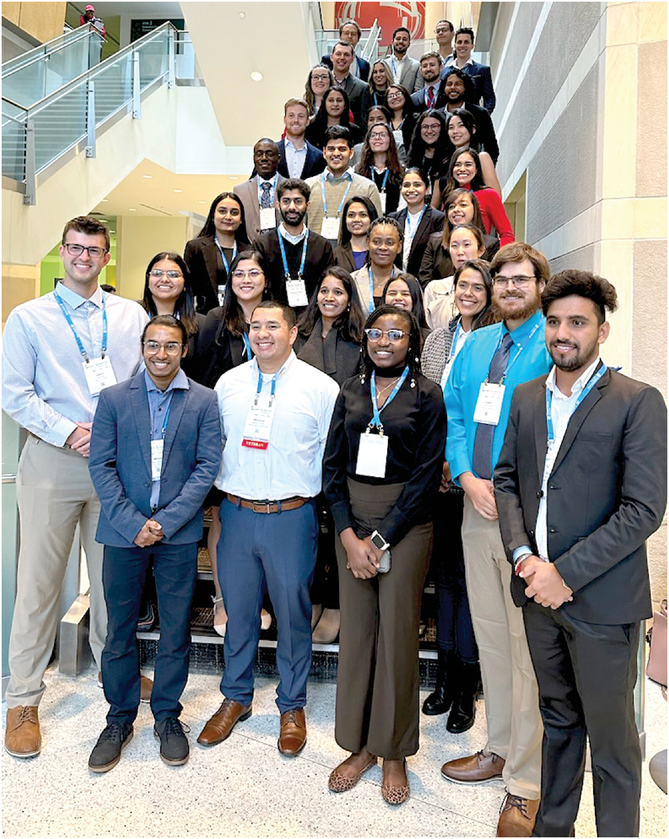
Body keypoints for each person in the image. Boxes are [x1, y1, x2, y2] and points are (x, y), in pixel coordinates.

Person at [494, 269, 668, 838]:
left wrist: (563, 574)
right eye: (554, 321)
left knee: (613, 739)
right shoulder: (525, 396)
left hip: (601, 603)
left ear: (602, 330)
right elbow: (506, 481)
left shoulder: (637, 401)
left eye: (577, 322)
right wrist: (524, 559)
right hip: (536, 593)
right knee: (559, 721)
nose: (562, 332)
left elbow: (642, 510)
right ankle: (554, 828)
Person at [2, 216, 149, 759]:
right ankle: (22, 699)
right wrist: (70, 431)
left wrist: (112, 437)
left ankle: (119, 680)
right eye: (75, 247)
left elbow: (140, 384)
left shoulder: (130, 315)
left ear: (107, 255)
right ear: (62, 252)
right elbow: (14, 393)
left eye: (94, 248)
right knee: (39, 584)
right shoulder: (28, 318)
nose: (84, 256)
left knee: (114, 583)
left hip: (114, 466)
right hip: (53, 461)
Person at [441, 242, 552, 838]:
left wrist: (500, 491)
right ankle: (500, 747)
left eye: (520, 279)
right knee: (489, 635)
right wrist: (465, 475)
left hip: (526, 516)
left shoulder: (551, 341)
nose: (509, 288)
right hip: (474, 505)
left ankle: (527, 784)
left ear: (539, 284)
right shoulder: (478, 344)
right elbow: (457, 414)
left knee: (525, 646)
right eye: (501, 279)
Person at [197, 301, 339, 758]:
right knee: (239, 613)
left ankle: (291, 705)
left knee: (294, 615)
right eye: (255, 325)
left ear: (293, 332)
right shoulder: (228, 384)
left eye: (272, 325)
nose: (262, 333)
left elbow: (331, 455)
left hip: (291, 516)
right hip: (236, 514)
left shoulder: (321, 388)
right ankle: (235, 697)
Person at [322, 304, 446, 805]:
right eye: (377, 332)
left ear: (411, 341)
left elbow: (425, 476)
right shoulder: (350, 390)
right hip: (352, 520)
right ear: (367, 337)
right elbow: (331, 465)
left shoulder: (428, 395)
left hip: (407, 524)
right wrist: (349, 535)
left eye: (396, 333)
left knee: (396, 636)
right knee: (357, 635)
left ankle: (393, 751)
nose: (385, 341)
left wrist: (380, 539)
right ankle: (359, 746)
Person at [87, 315, 221, 772]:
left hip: (177, 534)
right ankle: (119, 717)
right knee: (120, 627)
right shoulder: (112, 399)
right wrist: (133, 523)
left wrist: (164, 523)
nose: (160, 354)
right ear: (142, 348)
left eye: (170, 346)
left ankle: (166, 715)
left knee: (175, 628)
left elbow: (207, 467)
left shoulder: (204, 401)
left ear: (183, 350)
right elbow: (101, 466)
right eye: (152, 345)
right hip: (123, 534)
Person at [420, 260, 497, 729]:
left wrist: (460, 461)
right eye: (462, 286)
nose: (468, 293)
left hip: (474, 477)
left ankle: (468, 685)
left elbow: (483, 412)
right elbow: (429, 402)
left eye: (477, 286)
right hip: (435, 472)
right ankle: (444, 676)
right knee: (445, 579)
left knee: (471, 583)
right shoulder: (436, 340)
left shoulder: (495, 343)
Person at [192, 250, 271, 637]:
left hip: (268, 433)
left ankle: (258, 601)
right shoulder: (213, 323)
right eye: (238, 272)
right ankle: (223, 600)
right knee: (223, 515)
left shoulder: (279, 319)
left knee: (260, 518)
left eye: (253, 272)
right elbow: (200, 376)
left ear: (265, 279)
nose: (245, 279)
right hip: (222, 433)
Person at [295, 268, 366, 645]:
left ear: (348, 297)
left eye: (338, 291)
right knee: (310, 531)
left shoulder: (358, 338)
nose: (329, 297)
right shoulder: (300, 332)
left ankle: (336, 605)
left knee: (338, 528)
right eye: (324, 290)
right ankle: (315, 600)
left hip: (343, 446)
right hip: (302, 445)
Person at [254, 178, 333, 310]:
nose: (292, 207)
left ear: (308, 205)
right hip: (272, 319)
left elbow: (327, 286)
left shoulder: (322, 246)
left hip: (312, 321)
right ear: (278, 206)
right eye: (286, 201)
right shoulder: (262, 244)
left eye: (298, 201)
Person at [305, 126, 382, 245]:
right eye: (331, 149)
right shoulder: (308, 186)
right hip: (314, 256)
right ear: (324, 152)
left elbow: (377, 230)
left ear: (351, 153)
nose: (336, 153)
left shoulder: (368, 187)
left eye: (342, 149)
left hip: (353, 257)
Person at [140, 252, 204, 379]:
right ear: (148, 280)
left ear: (185, 282)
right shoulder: (132, 315)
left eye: (173, 275)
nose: (164, 279)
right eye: (157, 273)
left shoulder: (203, 325)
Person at [184, 191, 250, 313]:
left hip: (241, 314)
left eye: (234, 213)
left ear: (241, 220)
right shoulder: (196, 247)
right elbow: (187, 288)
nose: (228, 217)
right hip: (206, 315)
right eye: (222, 211)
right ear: (213, 215)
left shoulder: (250, 250)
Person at [419, 188, 499, 287]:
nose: (456, 210)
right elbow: (424, 279)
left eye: (463, 205)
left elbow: (493, 280)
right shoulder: (435, 241)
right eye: (451, 207)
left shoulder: (491, 243)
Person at [439, 147, 514, 246]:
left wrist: (492, 256)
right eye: (457, 165)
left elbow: (507, 235)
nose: (462, 169)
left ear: (477, 169)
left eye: (468, 165)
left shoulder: (489, 195)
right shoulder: (448, 195)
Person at [423, 223, 487, 330]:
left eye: (466, 245)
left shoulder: (493, 285)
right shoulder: (434, 289)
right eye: (454, 246)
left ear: (480, 250)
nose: (460, 252)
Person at [435, 68, 499, 164]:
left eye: (458, 84)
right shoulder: (436, 116)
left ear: (466, 87)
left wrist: (483, 170)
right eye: (449, 84)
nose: (453, 87)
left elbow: (491, 148)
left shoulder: (480, 114)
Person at [389, 167, 445, 276]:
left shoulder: (438, 219)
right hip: (395, 279)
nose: (411, 189)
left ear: (427, 189)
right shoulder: (393, 218)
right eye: (406, 185)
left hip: (425, 280)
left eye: (417, 185)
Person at [433, 108, 502, 196]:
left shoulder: (482, 157)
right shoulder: (444, 162)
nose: (455, 131)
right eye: (451, 127)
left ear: (472, 129)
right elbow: (435, 204)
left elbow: (496, 197)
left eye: (461, 125)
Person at [233, 139, 286, 244]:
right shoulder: (239, 191)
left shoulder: (291, 188)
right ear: (254, 158)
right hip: (250, 252)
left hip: (283, 251)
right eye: (259, 154)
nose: (264, 158)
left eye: (269, 154)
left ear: (279, 158)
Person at [351, 216, 403, 313]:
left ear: (399, 246)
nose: (383, 247)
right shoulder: (352, 281)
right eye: (376, 242)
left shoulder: (409, 284)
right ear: (367, 243)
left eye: (390, 243)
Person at [442, 27, 496, 114]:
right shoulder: (445, 71)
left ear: (472, 46)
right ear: (455, 45)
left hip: (473, 118)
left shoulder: (482, 70)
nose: (462, 45)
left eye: (466, 42)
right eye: (459, 42)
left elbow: (489, 97)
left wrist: (483, 116)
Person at [355, 122, 404, 215]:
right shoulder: (357, 172)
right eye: (373, 135)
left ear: (390, 140)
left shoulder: (402, 172)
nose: (377, 138)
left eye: (382, 135)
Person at [276, 98, 326, 180]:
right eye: (291, 116)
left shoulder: (319, 156)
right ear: (285, 119)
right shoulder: (272, 152)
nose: (296, 120)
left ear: (307, 121)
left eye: (301, 116)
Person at [406, 109, 451, 195]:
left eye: (434, 126)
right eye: (425, 127)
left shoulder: (450, 155)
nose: (429, 131)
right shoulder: (414, 155)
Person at [329, 41, 373, 127]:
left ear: (352, 59)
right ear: (331, 57)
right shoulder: (322, 84)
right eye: (338, 54)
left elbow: (365, 121)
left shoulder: (362, 88)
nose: (342, 58)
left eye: (346, 55)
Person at [333, 196, 379, 273]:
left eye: (363, 215)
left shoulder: (381, 252)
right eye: (351, 215)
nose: (356, 219)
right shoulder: (335, 254)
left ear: (371, 218)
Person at [382, 272, 430, 344]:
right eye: (392, 293)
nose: (398, 298)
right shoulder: (375, 334)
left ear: (415, 299)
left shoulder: (429, 339)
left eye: (405, 294)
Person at [383, 26, 423, 93]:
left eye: (404, 39)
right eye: (398, 39)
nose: (401, 41)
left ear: (409, 44)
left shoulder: (416, 66)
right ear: (392, 42)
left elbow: (418, 91)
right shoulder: (384, 64)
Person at [384, 84, 416, 152]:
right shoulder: (385, 121)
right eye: (390, 96)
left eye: (398, 94)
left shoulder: (415, 119)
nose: (395, 97)